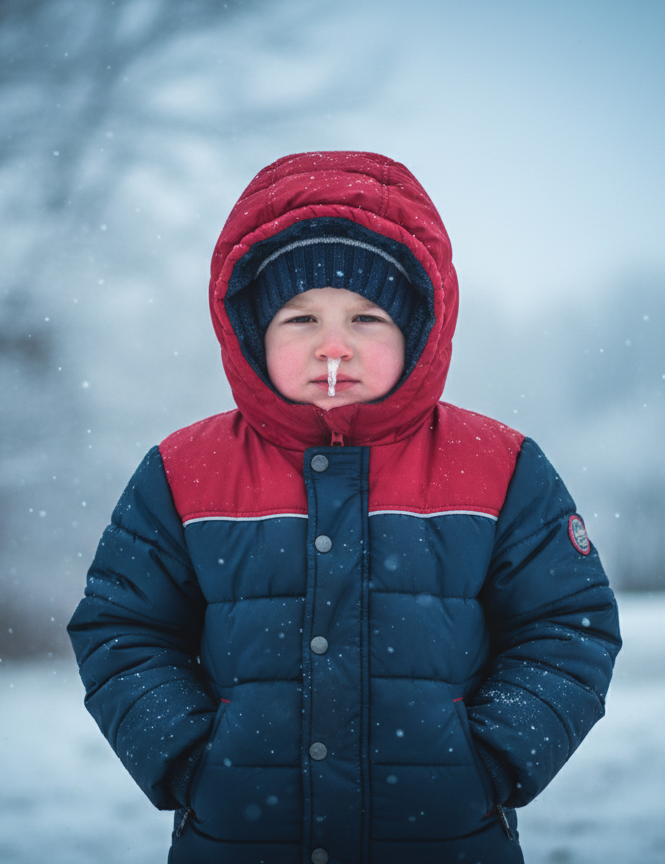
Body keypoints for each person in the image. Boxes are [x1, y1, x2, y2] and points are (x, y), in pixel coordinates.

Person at [68, 151, 621, 864]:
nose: (334, 346)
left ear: (418, 329)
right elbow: (122, 628)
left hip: (445, 840)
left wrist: (494, 757)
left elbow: (567, 626)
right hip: (241, 840)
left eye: (366, 317)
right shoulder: (185, 471)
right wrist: (188, 758)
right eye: (299, 318)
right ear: (251, 332)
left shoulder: (500, 467)